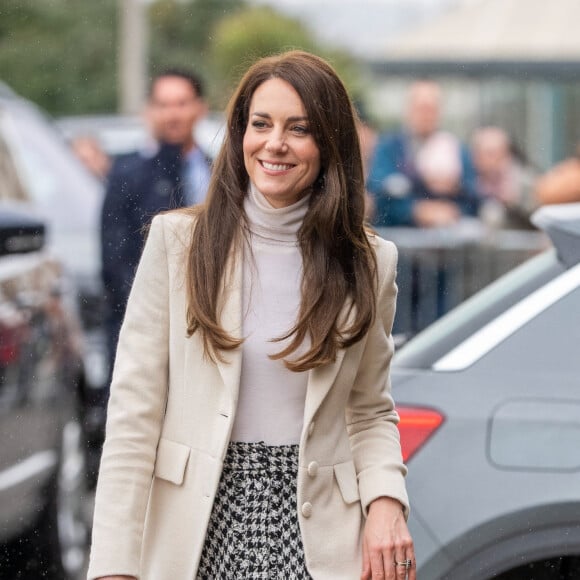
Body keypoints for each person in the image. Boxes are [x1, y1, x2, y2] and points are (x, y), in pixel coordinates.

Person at [88, 50, 415, 580]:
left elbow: (369, 409)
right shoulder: (179, 243)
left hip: (318, 534)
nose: (275, 143)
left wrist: (385, 501)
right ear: (241, 132)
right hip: (196, 527)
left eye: (299, 128)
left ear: (329, 143)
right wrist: (113, 566)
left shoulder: (370, 262)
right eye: (260, 124)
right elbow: (134, 414)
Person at [100, 68, 211, 378]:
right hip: (151, 330)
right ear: (150, 111)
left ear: (201, 107)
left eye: (181, 103)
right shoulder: (128, 175)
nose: (172, 114)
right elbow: (116, 263)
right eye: (163, 104)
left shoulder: (221, 172)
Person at [367, 79, 479, 228]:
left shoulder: (456, 149)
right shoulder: (389, 147)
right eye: (421, 108)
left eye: (431, 109)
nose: (426, 115)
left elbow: (473, 195)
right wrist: (416, 210)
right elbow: (379, 190)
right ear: (408, 109)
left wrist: (453, 208)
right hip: (400, 238)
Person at [471, 126, 536, 228]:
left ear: (506, 154)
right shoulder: (472, 179)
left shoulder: (523, 181)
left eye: (490, 154)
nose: (481, 159)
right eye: (479, 153)